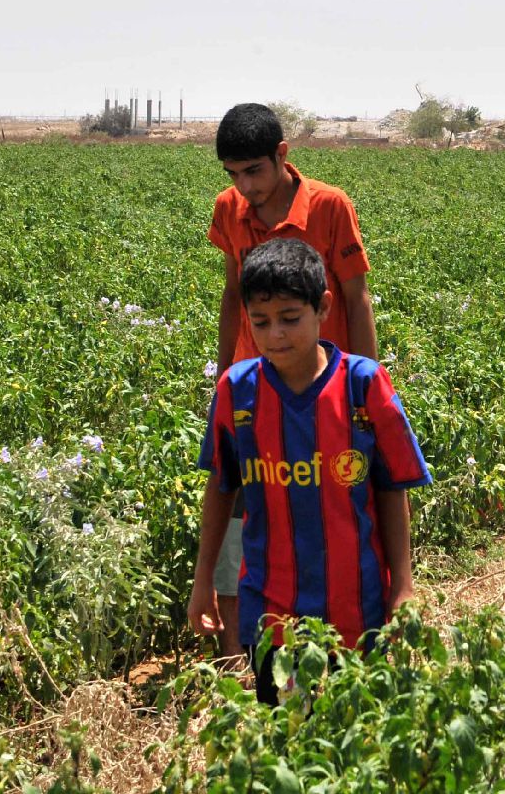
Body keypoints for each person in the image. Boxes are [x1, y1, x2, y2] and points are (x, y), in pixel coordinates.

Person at [186, 239, 430, 704]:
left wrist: (403, 586)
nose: (275, 334)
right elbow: (221, 487)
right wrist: (203, 583)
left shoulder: (363, 386)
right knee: (287, 737)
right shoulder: (238, 393)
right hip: (272, 615)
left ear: (323, 308)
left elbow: (392, 487)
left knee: (357, 741)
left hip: (358, 610)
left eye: (289, 319)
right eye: (260, 322)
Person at [206, 103, 379, 657]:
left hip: (327, 391)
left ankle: (339, 637)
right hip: (257, 390)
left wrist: (367, 390)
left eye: (253, 170)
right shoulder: (229, 211)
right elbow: (234, 294)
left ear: (283, 155)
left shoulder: (328, 207)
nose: (244, 186)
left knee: (327, 506)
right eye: (233, 174)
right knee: (239, 507)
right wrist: (224, 375)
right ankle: (239, 653)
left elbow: (356, 298)